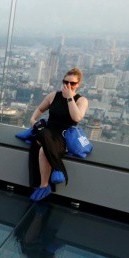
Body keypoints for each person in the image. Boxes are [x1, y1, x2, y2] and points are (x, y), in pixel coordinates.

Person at [28, 68, 89, 201]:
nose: (68, 85)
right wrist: (33, 119)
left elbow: (77, 117)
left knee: (43, 147)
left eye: (72, 83)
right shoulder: (53, 95)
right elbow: (40, 108)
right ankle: (57, 170)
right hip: (48, 131)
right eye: (65, 82)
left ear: (78, 84)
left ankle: (43, 186)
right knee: (43, 132)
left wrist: (69, 99)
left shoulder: (81, 100)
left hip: (64, 136)